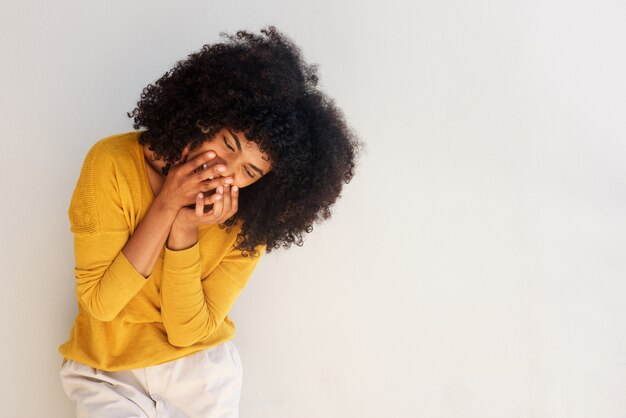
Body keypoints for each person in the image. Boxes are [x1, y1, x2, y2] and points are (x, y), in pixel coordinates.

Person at [57, 26, 361, 418]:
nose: (227, 171)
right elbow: (101, 304)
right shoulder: (112, 163)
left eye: (250, 171)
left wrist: (185, 232)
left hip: (201, 374)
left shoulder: (251, 222)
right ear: (205, 116)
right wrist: (166, 205)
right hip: (108, 372)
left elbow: (187, 332)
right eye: (228, 144)